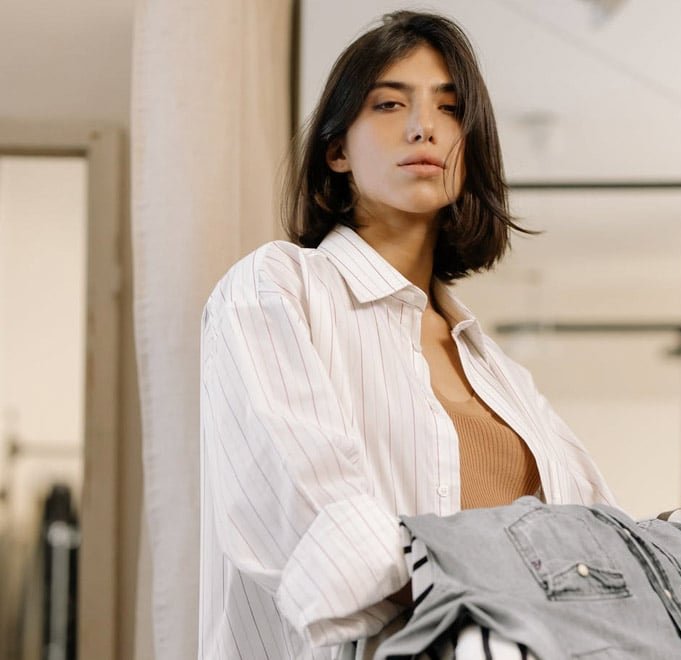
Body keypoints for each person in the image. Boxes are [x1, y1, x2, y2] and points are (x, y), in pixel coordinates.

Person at [198, 10, 616, 660]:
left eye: (450, 109)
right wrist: (502, 593)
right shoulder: (276, 289)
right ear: (337, 149)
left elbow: (599, 552)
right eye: (390, 104)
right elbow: (319, 531)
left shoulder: (504, 376)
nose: (424, 127)